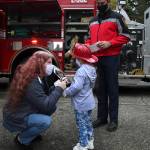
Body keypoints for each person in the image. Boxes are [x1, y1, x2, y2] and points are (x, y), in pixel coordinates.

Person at [3, 51, 67, 150]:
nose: (52, 66)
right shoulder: (32, 81)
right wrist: (59, 89)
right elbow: (46, 105)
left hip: (23, 111)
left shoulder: (36, 75)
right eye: (49, 63)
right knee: (46, 121)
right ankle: (22, 139)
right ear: (40, 64)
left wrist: (55, 86)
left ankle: (31, 132)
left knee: (52, 107)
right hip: (17, 116)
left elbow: (42, 96)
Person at [85, 0, 130, 131]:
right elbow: (89, 38)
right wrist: (88, 45)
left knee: (112, 89)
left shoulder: (116, 17)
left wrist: (110, 43)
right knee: (100, 89)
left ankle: (113, 120)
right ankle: (102, 118)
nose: (100, 4)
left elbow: (126, 36)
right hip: (97, 58)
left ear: (108, 2)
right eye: (98, 2)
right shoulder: (92, 21)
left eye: (102, 2)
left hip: (111, 57)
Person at [63, 43, 98, 150]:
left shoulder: (81, 71)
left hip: (81, 103)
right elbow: (89, 85)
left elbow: (77, 87)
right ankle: (90, 140)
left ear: (80, 58)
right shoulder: (91, 69)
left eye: (76, 57)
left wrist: (66, 92)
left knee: (81, 125)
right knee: (87, 122)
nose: (75, 59)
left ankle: (83, 145)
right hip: (89, 101)